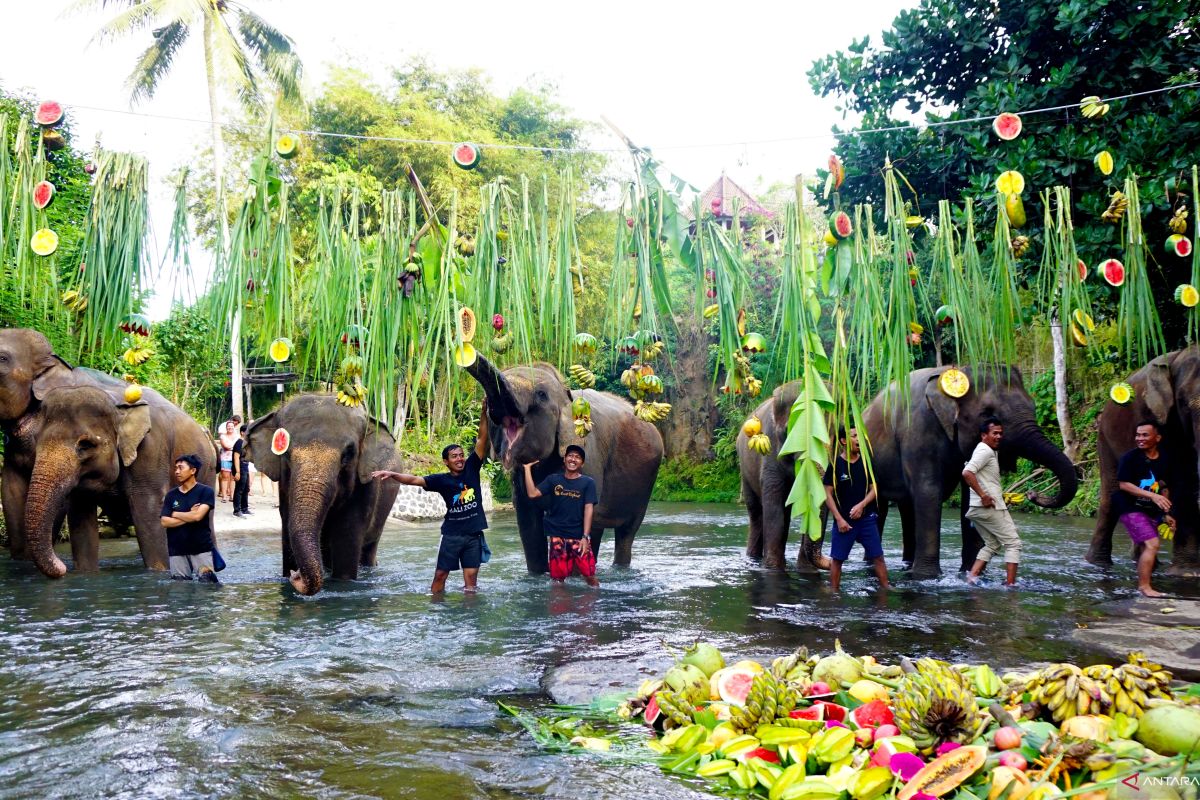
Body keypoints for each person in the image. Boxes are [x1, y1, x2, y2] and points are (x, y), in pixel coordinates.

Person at [373, 400, 490, 594]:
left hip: (473, 536)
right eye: (454, 456)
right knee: (440, 576)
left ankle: (470, 617)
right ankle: (436, 607)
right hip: (452, 536)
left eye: (461, 455)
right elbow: (415, 479)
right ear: (446, 461)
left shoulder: (472, 468)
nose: (460, 459)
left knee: (471, 581)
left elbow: (482, 440)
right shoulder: (441, 480)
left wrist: (484, 413)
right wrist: (393, 474)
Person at [822, 426, 888, 591]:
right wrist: (839, 519)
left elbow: (874, 489)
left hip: (866, 520)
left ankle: (886, 588)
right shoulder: (835, 464)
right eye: (854, 435)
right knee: (837, 560)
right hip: (844, 522)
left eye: (860, 435)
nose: (859, 439)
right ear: (844, 441)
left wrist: (861, 505)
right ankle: (834, 592)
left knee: (878, 557)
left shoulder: (867, 462)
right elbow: (827, 494)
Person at [522, 445, 599, 587]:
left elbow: (589, 509)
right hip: (557, 538)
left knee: (589, 576)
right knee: (557, 580)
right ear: (564, 459)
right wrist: (527, 470)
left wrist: (585, 537)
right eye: (570, 456)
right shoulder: (553, 480)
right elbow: (532, 493)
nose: (573, 459)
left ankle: (592, 606)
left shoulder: (588, 483)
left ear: (582, 463)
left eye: (577, 457)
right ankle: (561, 607)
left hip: (578, 538)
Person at [1113, 420, 1175, 597]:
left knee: (1145, 546)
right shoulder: (1130, 458)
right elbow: (1124, 484)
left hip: (1151, 510)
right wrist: (1153, 496)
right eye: (1138, 435)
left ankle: (1142, 584)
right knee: (1152, 544)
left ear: (1158, 438)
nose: (1139, 438)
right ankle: (1144, 587)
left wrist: (1166, 513)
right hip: (1130, 507)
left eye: (1145, 435)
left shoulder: (1165, 460)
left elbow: (1164, 488)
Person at [963, 418, 1021, 587]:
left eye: (1001, 433)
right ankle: (1010, 586)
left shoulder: (987, 450)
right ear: (984, 435)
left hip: (978, 508)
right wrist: (984, 496)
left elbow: (982, 477)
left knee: (992, 544)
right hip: (987, 506)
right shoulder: (985, 451)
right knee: (1013, 543)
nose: (999, 436)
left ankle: (971, 578)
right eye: (995, 433)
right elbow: (967, 473)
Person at [160, 454, 218, 583]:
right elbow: (164, 521)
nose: (176, 471)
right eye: (176, 468)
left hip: (201, 549)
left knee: (207, 587)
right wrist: (189, 514)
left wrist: (174, 514)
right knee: (180, 589)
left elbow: (197, 516)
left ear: (193, 471)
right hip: (177, 550)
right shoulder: (171, 495)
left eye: (181, 468)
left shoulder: (206, 492)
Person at [232, 424, 252, 517]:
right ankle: (237, 510)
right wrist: (237, 472)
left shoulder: (245, 443)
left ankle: (245, 508)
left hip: (245, 466)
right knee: (239, 489)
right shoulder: (239, 443)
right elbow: (236, 457)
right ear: (242, 432)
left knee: (246, 488)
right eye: (247, 431)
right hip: (240, 467)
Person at [217, 420, 239, 502]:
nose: (230, 428)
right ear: (226, 428)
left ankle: (232, 496)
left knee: (233, 478)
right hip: (225, 459)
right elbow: (225, 446)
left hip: (235, 459)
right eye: (228, 426)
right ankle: (224, 496)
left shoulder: (237, 436)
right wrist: (233, 447)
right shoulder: (223, 436)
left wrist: (231, 447)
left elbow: (239, 447)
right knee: (225, 477)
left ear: (234, 427)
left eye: (232, 426)